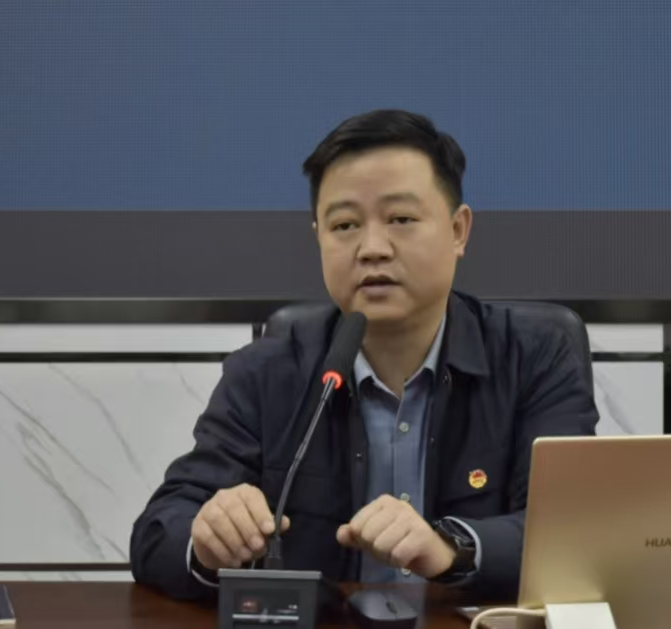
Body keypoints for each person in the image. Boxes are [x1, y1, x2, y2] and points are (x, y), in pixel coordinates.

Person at [129, 109, 599, 602]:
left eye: (401, 219)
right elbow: (158, 532)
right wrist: (207, 543)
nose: (372, 248)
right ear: (318, 236)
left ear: (458, 230)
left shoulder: (534, 358)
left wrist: (451, 547)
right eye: (345, 225)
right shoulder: (265, 373)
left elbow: (574, 533)